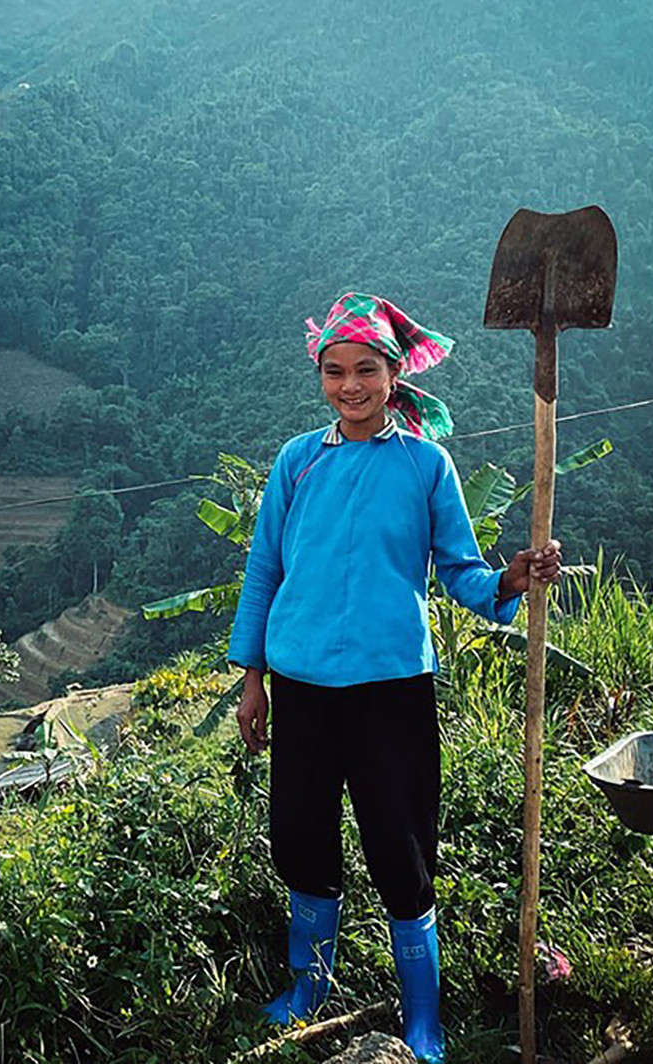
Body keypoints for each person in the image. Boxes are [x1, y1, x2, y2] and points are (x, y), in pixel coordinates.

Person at [228, 292, 561, 1063]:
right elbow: (264, 571)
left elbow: (463, 574)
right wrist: (252, 678)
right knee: (302, 837)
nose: (351, 386)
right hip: (303, 688)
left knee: (401, 846)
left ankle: (423, 1019)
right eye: (336, 371)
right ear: (320, 377)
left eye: (366, 370)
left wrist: (509, 582)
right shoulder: (296, 461)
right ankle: (308, 988)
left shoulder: (424, 464)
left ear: (392, 372)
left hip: (392, 691)